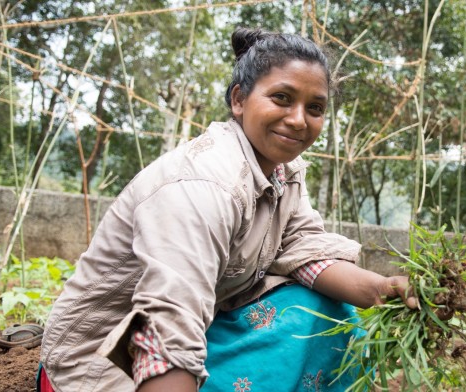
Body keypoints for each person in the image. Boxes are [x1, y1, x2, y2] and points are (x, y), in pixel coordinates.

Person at [39, 27, 417, 392]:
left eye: (314, 107)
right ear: (239, 100)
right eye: (282, 98)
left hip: (200, 328)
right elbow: (166, 322)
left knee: (319, 311)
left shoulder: (284, 173)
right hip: (101, 363)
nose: (299, 119)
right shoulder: (202, 186)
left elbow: (303, 249)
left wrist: (381, 289)